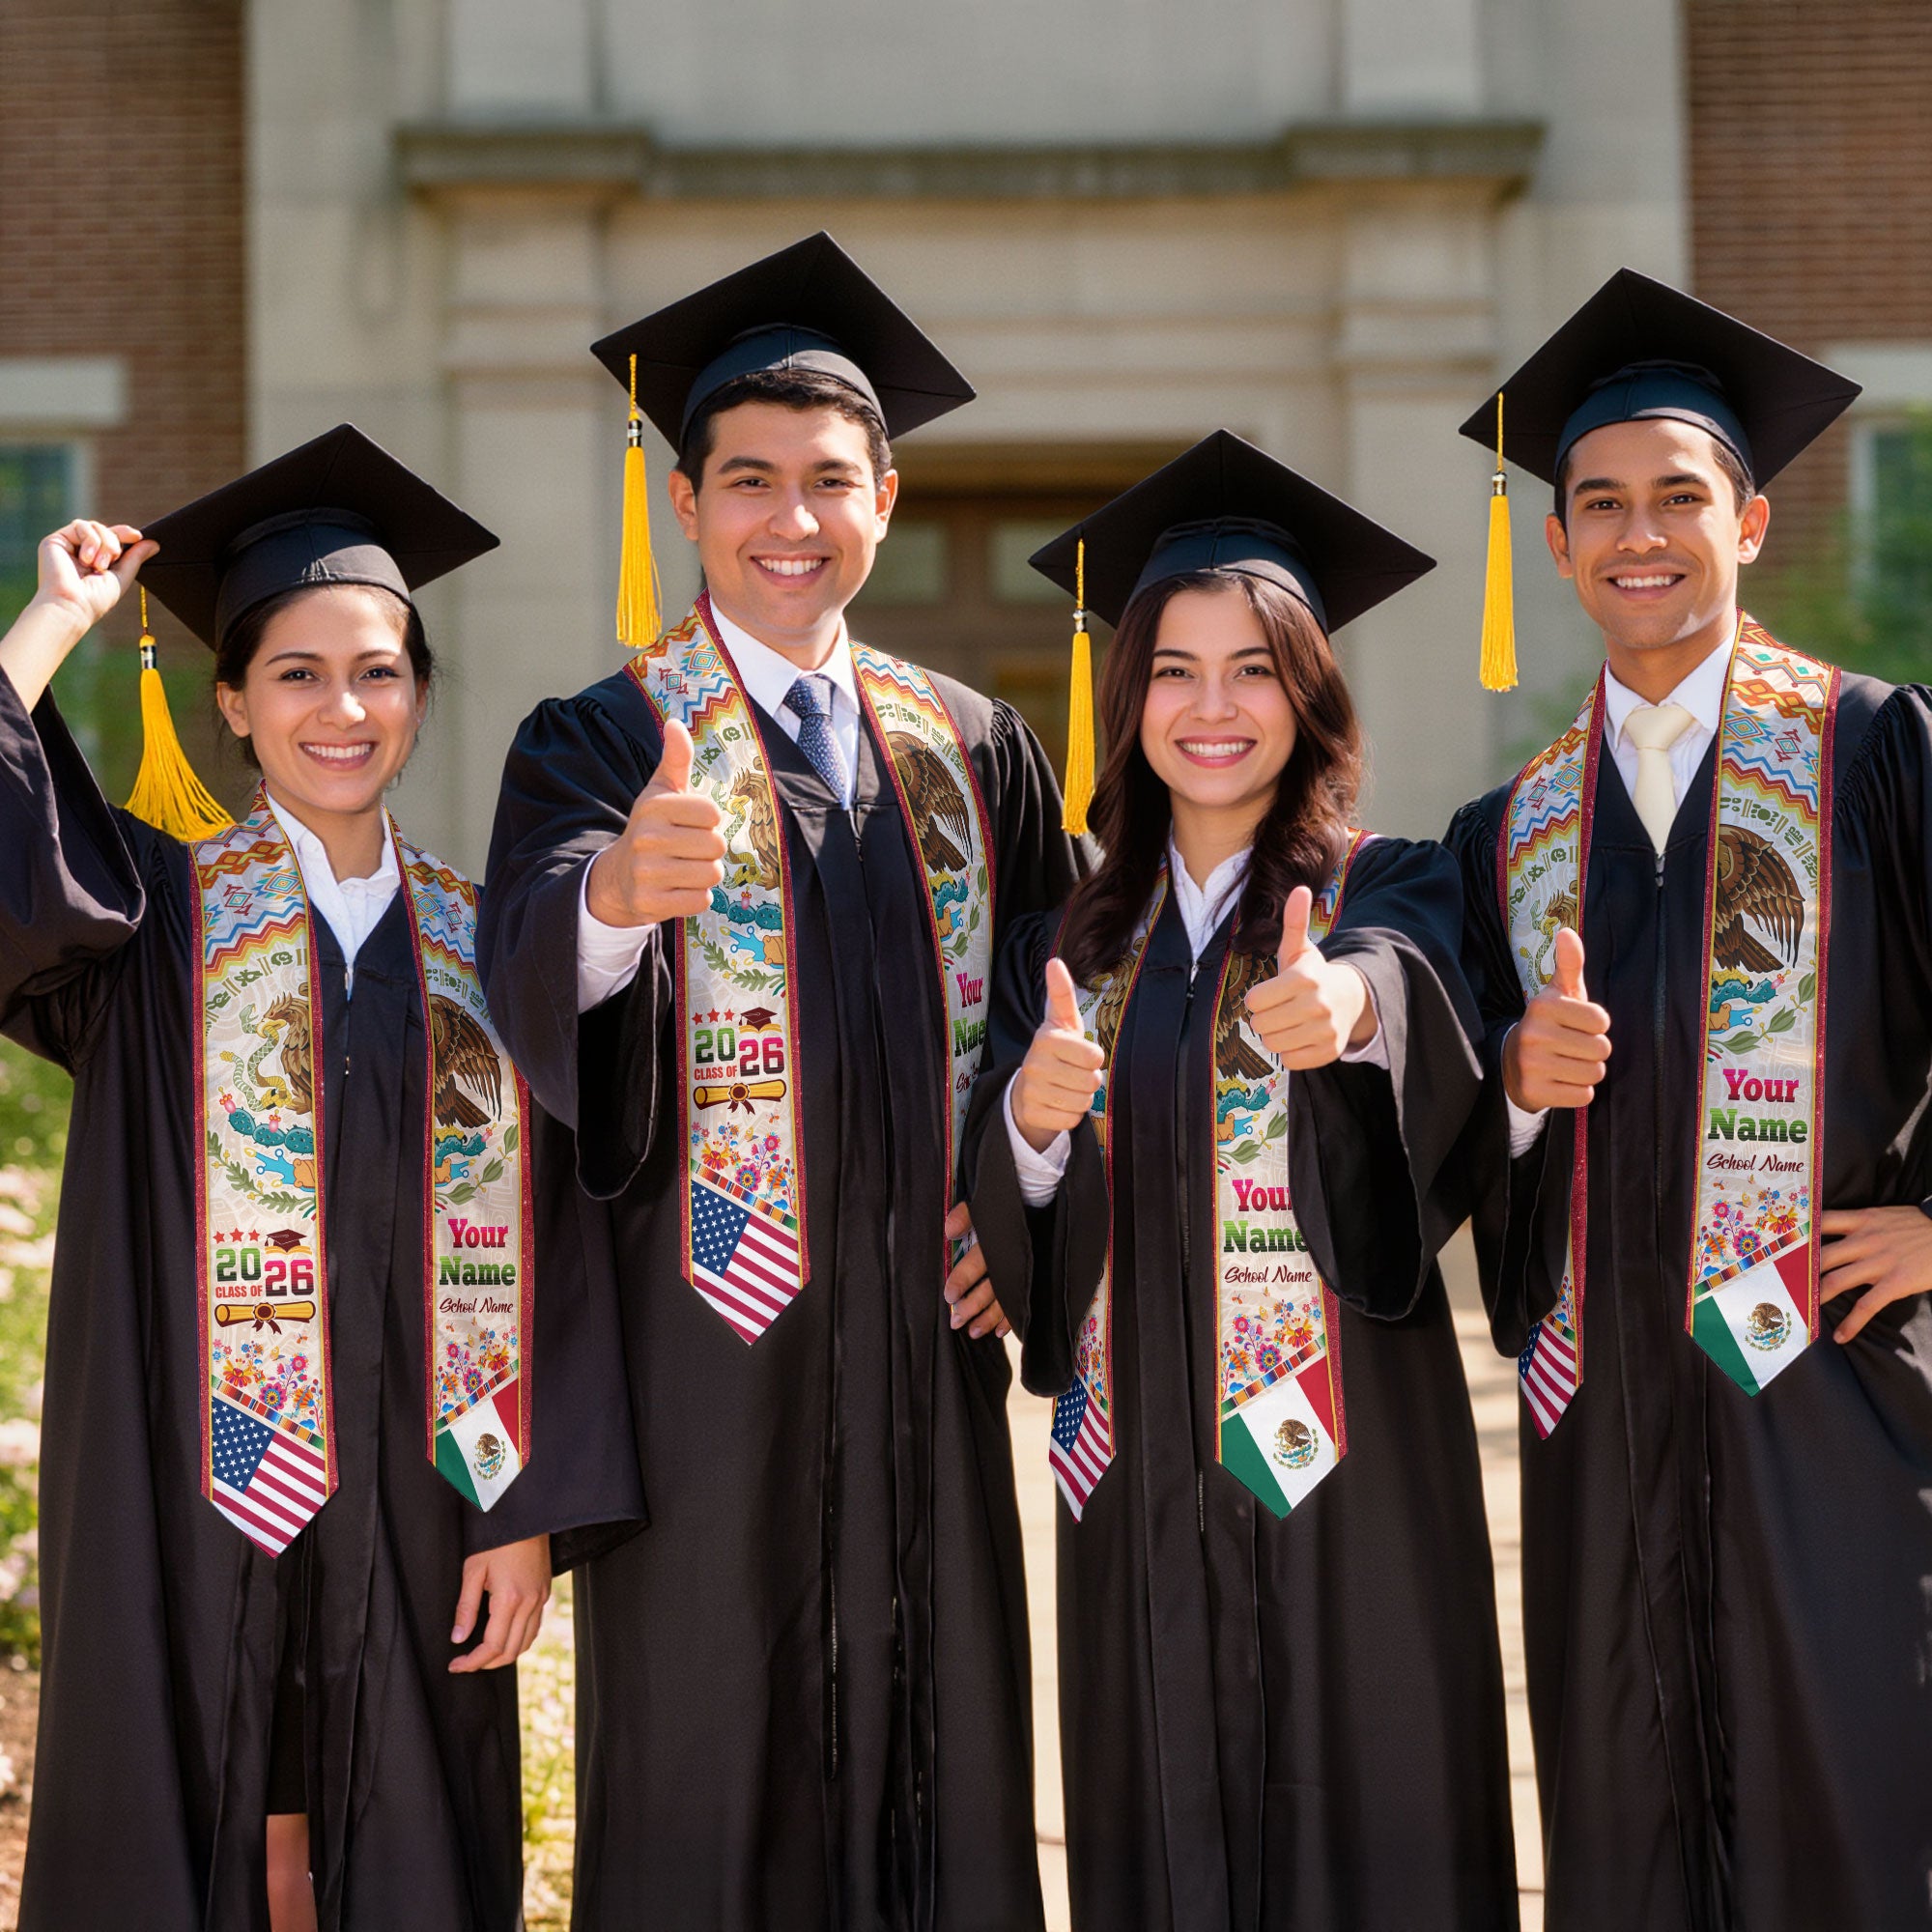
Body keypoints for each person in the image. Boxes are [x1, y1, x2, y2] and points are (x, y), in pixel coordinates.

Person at [478, 233, 1084, 1931]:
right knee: (709, 1772)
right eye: (749, 481)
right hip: (707, 1365)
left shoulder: (972, 745)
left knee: (942, 1756)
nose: (790, 519)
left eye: (831, 481)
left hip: (924, 1358)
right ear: (687, 503)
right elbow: (524, 966)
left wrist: (1023, 1196)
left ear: (886, 497)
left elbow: (1070, 1007)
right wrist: (610, 900)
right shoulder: (599, 739)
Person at [0, 425, 642, 1932]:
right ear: (231, 701)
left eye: (378, 670)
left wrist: (525, 1507)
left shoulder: (495, 946)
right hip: (185, 1476)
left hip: (429, 1497)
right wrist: (50, 624)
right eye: (295, 673)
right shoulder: (149, 920)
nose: (340, 708)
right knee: (193, 1804)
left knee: (409, 1831)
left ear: (420, 694)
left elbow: (564, 1246)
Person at [965, 431, 1518, 1931]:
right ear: (1127, 696)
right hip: (1135, 1472)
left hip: (1352, 1470)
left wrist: (1348, 1014)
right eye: (1175, 671)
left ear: (1311, 692)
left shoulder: (1388, 884)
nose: (1214, 709)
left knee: (1374, 1826)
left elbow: (1413, 992)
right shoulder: (1066, 944)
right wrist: (1026, 1116)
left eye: (1256, 668)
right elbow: (1013, 1205)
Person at [1446, 270, 1932, 1931]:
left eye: (1678, 497)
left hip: (1835, 1400)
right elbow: (1450, 1138)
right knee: (1624, 1818)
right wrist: (1512, 1089)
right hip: (1605, 1427)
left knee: (1854, 1804)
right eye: (1599, 504)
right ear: (1562, 542)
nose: (1637, 534)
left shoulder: (1874, 752)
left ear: (1753, 519)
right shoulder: (1507, 831)